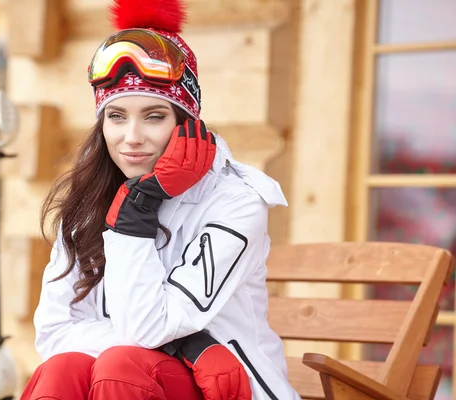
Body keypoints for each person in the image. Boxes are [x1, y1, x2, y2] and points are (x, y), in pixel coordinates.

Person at [20, 0, 301, 399]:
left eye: (154, 116)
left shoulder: (236, 203)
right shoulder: (88, 202)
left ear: (185, 123)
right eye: (116, 116)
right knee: (64, 367)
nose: (131, 137)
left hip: (228, 388)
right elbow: (55, 333)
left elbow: (144, 330)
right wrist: (189, 345)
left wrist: (135, 212)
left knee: (122, 366)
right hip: (155, 373)